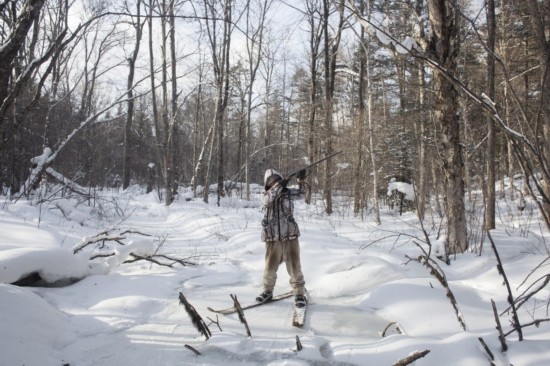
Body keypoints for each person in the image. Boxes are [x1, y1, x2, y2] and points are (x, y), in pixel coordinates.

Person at [256, 168, 307, 308]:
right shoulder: (264, 195)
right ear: (267, 184)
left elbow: (303, 194)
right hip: (272, 238)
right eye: (271, 181)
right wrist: (280, 186)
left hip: (290, 236)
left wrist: (301, 180)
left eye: (277, 180)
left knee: (295, 267)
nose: (275, 183)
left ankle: (299, 294)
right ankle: (267, 291)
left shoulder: (288, 193)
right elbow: (267, 201)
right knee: (269, 269)